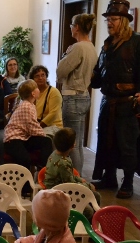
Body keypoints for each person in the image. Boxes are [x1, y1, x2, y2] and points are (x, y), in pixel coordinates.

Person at [90, 0, 140, 199]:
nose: (109, 23)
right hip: (108, 102)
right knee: (106, 142)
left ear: (124, 21)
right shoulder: (107, 45)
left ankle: (128, 182)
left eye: (113, 19)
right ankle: (109, 177)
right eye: (108, 20)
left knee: (127, 144)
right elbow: (98, 74)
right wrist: (91, 77)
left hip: (128, 104)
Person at [56, 14, 98, 175]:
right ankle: (78, 178)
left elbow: (60, 72)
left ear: (77, 27)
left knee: (71, 142)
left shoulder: (78, 47)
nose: (70, 27)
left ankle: (75, 180)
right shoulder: (91, 46)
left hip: (73, 97)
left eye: (71, 24)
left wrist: (65, 56)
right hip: (84, 96)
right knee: (78, 142)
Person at [45, 128, 101, 220]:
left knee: (96, 195)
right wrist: (88, 186)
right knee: (88, 211)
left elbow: (69, 176)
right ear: (72, 145)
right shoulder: (63, 162)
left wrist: (80, 180)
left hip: (61, 189)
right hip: (59, 195)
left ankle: (93, 223)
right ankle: (86, 228)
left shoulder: (55, 154)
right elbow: (71, 186)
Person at [3, 79, 53, 170]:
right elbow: (33, 127)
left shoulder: (30, 105)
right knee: (25, 160)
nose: (39, 89)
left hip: (24, 138)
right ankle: (26, 181)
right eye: (36, 88)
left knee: (46, 141)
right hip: (13, 140)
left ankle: (43, 168)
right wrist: (43, 134)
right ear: (33, 93)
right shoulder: (27, 106)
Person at [29, 65, 63, 136]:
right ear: (32, 79)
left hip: (53, 125)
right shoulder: (31, 93)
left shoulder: (53, 92)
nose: (40, 78)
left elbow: (53, 114)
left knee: (39, 138)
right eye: (37, 76)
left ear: (46, 76)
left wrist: (37, 127)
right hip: (37, 124)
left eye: (43, 75)